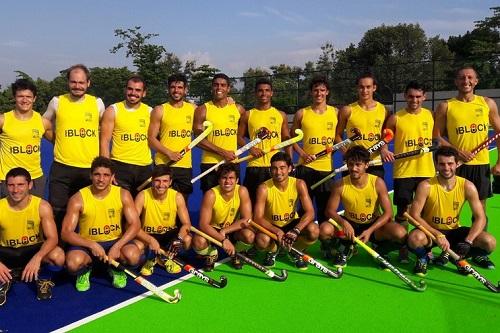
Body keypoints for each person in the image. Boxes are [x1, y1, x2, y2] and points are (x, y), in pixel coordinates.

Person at [433, 66, 500, 269]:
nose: (466, 81)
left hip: (480, 166)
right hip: (455, 166)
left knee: (479, 211)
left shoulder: (487, 104)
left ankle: (477, 251)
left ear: (476, 81)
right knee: (447, 211)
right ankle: (447, 250)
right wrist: (456, 151)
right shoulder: (446, 106)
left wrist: (499, 163)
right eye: (462, 77)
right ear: (456, 81)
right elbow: (436, 136)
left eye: (470, 77)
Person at [407, 146, 496, 276]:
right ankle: (423, 257)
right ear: (436, 165)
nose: (446, 168)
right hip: (430, 231)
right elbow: (414, 215)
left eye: (450, 163)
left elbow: (480, 217)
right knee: (415, 238)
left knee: (489, 242)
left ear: (457, 163)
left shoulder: (467, 186)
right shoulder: (426, 185)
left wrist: (468, 241)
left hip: (454, 231)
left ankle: (457, 256)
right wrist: (437, 234)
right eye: (442, 164)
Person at [61, 157, 141, 292]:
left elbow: (135, 224)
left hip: (114, 241)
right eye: (97, 174)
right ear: (91, 175)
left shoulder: (123, 194)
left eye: (106, 175)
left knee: (133, 255)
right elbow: (65, 232)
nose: (101, 179)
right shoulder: (78, 198)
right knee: (73, 263)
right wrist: (91, 244)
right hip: (87, 245)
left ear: (112, 177)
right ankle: (85, 270)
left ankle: (115, 269)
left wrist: (118, 245)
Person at [320, 146, 406, 268]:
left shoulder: (377, 182)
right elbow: (329, 211)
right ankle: (345, 248)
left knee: (400, 233)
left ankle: (380, 251)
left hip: (373, 227)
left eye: (358, 165)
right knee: (324, 230)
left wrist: (370, 230)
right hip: (350, 226)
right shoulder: (340, 184)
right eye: (350, 164)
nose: (353, 169)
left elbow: (388, 213)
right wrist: (344, 223)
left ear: (366, 165)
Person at [43, 64, 105, 228]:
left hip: (88, 168)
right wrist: (58, 140)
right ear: (68, 83)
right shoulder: (57, 102)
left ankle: (83, 250)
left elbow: (106, 130)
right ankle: (57, 249)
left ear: (88, 83)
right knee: (57, 212)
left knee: (87, 212)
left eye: (81, 82)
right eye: (73, 82)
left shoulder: (97, 103)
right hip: (62, 168)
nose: (77, 86)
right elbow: (43, 125)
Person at [381, 81, 435, 263]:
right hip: (404, 173)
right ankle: (403, 249)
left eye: (418, 96)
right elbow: (385, 137)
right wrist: (384, 149)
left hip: (426, 172)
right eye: (411, 96)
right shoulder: (397, 118)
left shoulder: (430, 115)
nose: (415, 100)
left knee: (426, 213)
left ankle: (426, 248)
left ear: (424, 97)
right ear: (405, 96)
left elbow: (437, 139)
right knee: (403, 212)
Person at [0, 167, 64, 305]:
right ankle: (5, 280)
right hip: (6, 253)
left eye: (20, 185)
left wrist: (38, 257)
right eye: (11, 185)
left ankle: (43, 279)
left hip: (33, 250)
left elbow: (53, 238)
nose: (15, 190)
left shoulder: (42, 206)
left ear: (29, 185)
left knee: (58, 255)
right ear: (6, 186)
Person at [253, 152, 318, 270]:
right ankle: (272, 251)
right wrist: (277, 230)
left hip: (291, 224)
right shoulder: (263, 188)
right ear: (270, 170)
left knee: (314, 230)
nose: (278, 172)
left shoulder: (299, 184)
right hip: (272, 226)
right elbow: (257, 218)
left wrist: (296, 230)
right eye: (274, 168)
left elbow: (310, 212)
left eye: (282, 168)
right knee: (262, 241)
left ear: (290, 168)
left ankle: (295, 251)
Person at [291, 76, 338, 223]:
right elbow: (292, 140)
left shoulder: (336, 112)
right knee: (305, 209)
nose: (319, 93)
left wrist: (335, 149)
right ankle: (303, 242)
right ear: (311, 92)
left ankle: (326, 242)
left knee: (325, 209)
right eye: (315, 90)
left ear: (327, 92)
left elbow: (337, 137)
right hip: (306, 168)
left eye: (322, 90)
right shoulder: (302, 113)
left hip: (326, 169)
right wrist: (303, 154)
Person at [237, 78, 291, 204]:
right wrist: (251, 148)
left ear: (272, 93)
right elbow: (238, 137)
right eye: (260, 91)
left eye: (267, 90)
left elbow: (287, 140)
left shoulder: (280, 115)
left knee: (275, 203)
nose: (264, 93)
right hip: (255, 167)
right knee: (253, 203)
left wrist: (289, 162)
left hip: (275, 167)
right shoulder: (248, 115)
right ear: (256, 93)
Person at [192, 163, 253, 271]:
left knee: (249, 236)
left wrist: (225, 231)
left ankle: (236, 253)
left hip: (233, 228)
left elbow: (247, 220)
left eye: (231, 178)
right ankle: (211, 254)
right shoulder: (211, 194)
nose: (227, 181)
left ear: (237, 180)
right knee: (198, 242)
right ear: (219, 180)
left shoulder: (242, 191)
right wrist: (223, 239)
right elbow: (203, 224)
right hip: (213, 229)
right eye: (224, 178)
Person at [100, 75, 152, 198]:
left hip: (144, 169)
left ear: (144, 93)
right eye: (130, 89)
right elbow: (104, 142)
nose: (133, 93)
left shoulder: (150, 112)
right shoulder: (113, 110)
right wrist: (107, 171)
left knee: (142, 212)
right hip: (120, 168)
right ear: (125, 90)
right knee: (120, 211)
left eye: (138, 90)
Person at [134, 165, 192, 276]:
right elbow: (132, 225)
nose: (161, 185)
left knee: (187, 239)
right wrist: (150, 240)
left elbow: (187, 224)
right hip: (148, 234)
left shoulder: (177, 196)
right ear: (152, 181)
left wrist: (179, 239)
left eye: (165, 181)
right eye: (157, 181)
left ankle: (163, 257)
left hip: (169, 234)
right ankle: (154, 258)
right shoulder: (142, 196)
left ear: (170, 182)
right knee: (136, 249)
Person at [0, 79, 53, 199]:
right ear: (14, 97)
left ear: (34, 98)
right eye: (20, 96)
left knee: (34, 216)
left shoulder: (43, 122)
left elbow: (60, 143)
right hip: (9, 178)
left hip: (35, 178)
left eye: (28, 96)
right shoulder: (3, 120)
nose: (25, 100)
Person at [192, 73, 245, 192]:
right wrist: (223, 152)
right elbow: (198, 140)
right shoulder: (202, 110)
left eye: (223, 85)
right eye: (216, 85)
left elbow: (243, 134)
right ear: (212, 87)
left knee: (234, 202)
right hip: (210, 163)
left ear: (228, 88)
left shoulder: (238, 109)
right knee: (210, 202)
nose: (219, 88)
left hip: (232, 163)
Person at [148, 74, 196, 200]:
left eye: (180, 87)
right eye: (173, 87)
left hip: (184, 165)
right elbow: (152, 139)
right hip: (163, 164)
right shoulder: (159, 110)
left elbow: (212, 111)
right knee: (160, 201)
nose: (176, 90)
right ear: (168, 89)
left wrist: (230, 101)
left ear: (185, 90)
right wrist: (169, 153)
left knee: (182, 203)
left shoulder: (194, 109)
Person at [335, 72, 390, 179]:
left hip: (374, 163)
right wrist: (347, 153)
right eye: (361, 87)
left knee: (374, 195)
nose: (365, 91)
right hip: (353, 165)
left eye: (368, 87)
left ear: (374, 88)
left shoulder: (384, 110)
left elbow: (385, 136)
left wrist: (384, 149)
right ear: (357, 88)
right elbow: (337, 136)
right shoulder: (347, 110)